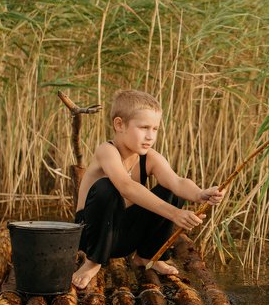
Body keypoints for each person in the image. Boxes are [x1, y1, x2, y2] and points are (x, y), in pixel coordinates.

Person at [70, 89, 223, 289]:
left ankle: (146, 256)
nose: (150, 136)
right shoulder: (106, 151)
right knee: (107, 187)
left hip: (121, 237)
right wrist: (175, 214)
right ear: (119, 125)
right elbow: (126, 187)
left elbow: (177, 182)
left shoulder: (150, 158)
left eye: (155, 129)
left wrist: (200, 194)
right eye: (143, 128)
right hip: (90, 237)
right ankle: (93, 262)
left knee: (170, 190)